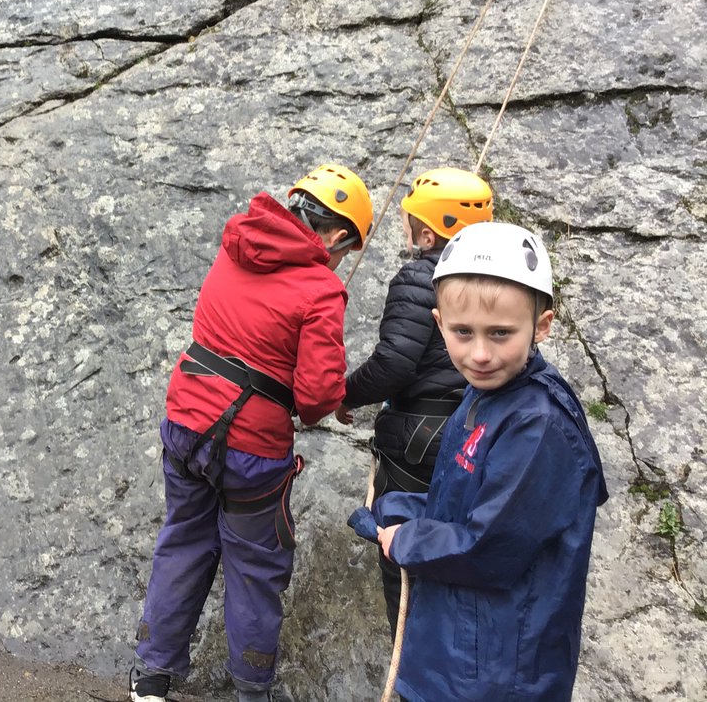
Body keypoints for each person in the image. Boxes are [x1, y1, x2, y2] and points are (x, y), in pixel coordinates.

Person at [130, 164, 374, 702]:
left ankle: (151, 674)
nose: (342, 262)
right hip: (252, 450)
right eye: (347, 250)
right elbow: (314, 401)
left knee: (184, 541)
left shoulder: (237, 243)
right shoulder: (321, 288)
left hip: (186, 420)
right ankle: (250, 687)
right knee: (255, 565)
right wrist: (334, 393)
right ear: (336, 235)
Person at [366, 221, 608, 701]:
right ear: (439, 324)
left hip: (498, 668)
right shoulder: (484, 395)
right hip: (460, 648)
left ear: (541, 325)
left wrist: (409, 539)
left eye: (500, 333)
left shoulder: (538, 426)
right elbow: (465, 499)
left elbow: (489, 547)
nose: (479, 353)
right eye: (462, 332)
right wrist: (400, 508)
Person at [335, 167, 492, 633]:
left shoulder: (421, 276)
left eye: (408, 220)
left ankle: (410, 665)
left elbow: (394, 364)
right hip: (478, 435)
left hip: (418, 446)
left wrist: (346, 396)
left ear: (427, 233)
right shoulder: (498, 281)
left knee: (399, 549)